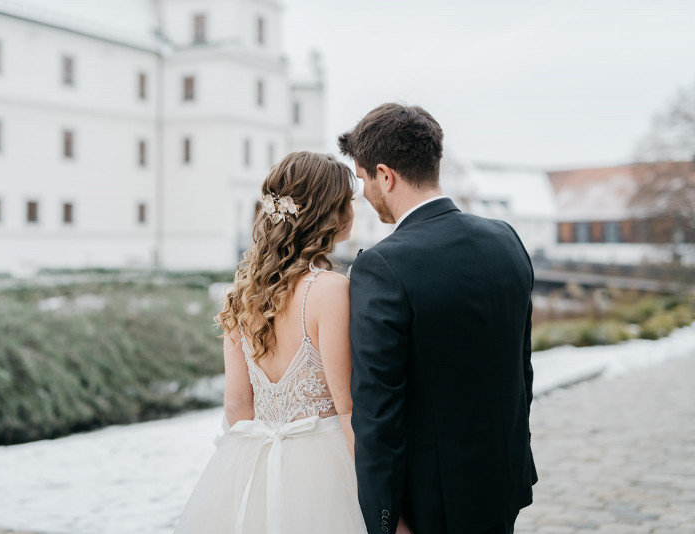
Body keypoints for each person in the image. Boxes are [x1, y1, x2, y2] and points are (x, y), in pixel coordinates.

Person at [339, 103, 538, 534]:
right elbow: (521, 370)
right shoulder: (506, 239)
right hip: (504, 479)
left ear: (385, 175)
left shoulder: (381, 268)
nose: (364, 194)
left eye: (363, 180)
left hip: (432, 505)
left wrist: (385, 520)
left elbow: (378, 417)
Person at [173, 151, 367, 533]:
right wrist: (380, 494)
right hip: (327, 469)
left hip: (255, 463)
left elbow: (237, 407)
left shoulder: (242, 294)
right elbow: (347, 409)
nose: (352, 211)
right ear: (328, 213)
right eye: (348, 202)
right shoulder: (330, 290)